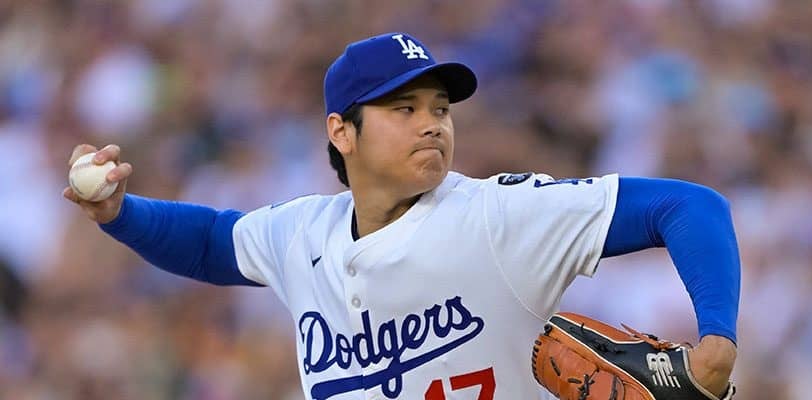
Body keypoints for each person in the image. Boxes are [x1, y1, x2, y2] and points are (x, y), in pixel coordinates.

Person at [63, 32, 740, 400]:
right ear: (342, 131)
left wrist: (716, 340)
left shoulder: (496, 215)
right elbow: (213, 241)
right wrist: (120, 211)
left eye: (440, 108)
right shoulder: (302, 232)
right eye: (404, 109)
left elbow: (688, 206)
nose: (432, 124)